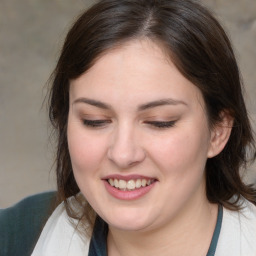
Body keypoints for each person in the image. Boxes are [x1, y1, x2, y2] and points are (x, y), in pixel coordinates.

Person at [32, 0, 256, 255]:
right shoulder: (17, 235)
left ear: (218, 132)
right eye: (95, 120)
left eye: (160, 122)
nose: (123, 154)